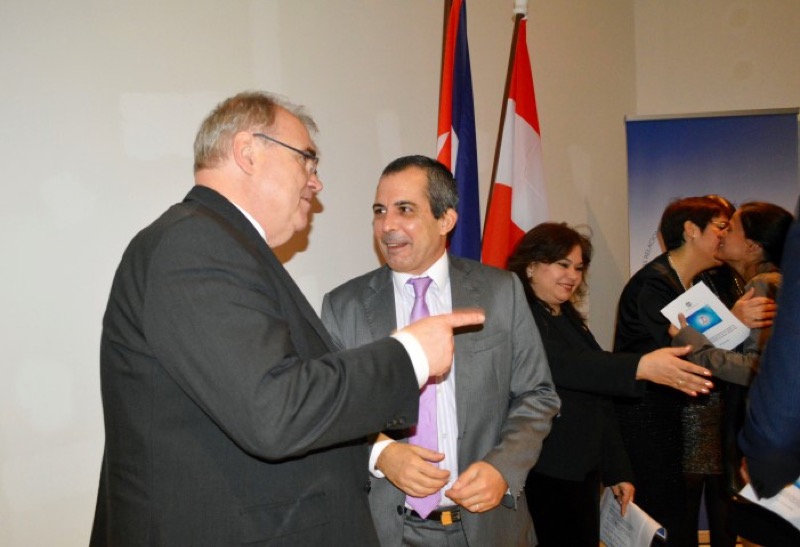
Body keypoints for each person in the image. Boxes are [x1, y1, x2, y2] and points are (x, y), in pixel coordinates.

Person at [90, 93, 485, 546]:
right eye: (307, 160)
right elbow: (273, 410)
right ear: (247, 152)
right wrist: (410, 354)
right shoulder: (194, 243)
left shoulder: (224, 246)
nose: (316, 182)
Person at [321, 155, 560, 546]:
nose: (387, 225)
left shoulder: (501, 292)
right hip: (388, 531)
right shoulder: (344, 306)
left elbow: (538, 394)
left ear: (445, 220)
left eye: (405, 210)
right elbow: (331, 410)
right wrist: (381, 453)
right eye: (380, 211)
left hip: (489, 527)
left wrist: (502, 468)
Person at [506, 222, 714, 547]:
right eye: (562, 264)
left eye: (578, 268)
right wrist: (641, 366)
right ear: (531, 266)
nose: (572, 276)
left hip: (582, 468)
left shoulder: (565, 315)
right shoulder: (520, 314)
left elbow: (599, 399)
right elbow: (563, 365)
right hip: (545, 469)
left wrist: (618, 471)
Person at [614, 196, 738, 547]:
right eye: (721, 227)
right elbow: (685, 355)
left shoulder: (704, 282)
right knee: (667, 523)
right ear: (690, 230)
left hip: (685, 419)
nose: (726, 237)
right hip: (652, 422)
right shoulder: (653, 284)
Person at [671, 201, 795, 545]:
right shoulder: (766, 283)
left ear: (753, 246)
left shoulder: (765, 286)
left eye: (732, 228)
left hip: (762, 434)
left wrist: (693, 344)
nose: (723, 234)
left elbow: (755, 371)